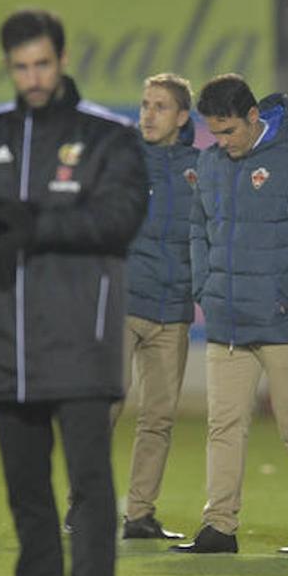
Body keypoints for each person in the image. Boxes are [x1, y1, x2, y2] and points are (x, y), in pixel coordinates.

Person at [0, 9, 146, 576]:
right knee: (24, 488)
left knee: (88, 485)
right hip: (7, 344)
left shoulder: (108, 137)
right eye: (20, 66)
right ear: (9, 67)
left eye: (42, 63)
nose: (32, 77)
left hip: (81, 342)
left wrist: (30, 221)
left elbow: (118, 219)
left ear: (61, 61)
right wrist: (3, 221)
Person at [171, 75, 288, 555]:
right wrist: (206, 287)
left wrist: (283, 298)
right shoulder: (211, 163)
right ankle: (219, 528)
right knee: (223, 426)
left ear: (253, 118)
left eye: (228, 132)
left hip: (284, 323)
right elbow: (198, 229)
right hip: (227, 321)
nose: (221, 144)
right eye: (214, 134)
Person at [119, 73, 199, 541]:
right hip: (124, 300)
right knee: (105, 405)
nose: (148, 114)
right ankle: (82, 507)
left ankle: (139, 514)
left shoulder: (200, 167)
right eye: (145, 104)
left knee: (158, 418)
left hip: (173, 308)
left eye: (160, 106)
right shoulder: (121, 159)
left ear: (183, 117)